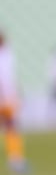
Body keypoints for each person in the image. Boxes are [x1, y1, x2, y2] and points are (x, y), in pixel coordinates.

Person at [0, 31, 29, 174]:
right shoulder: (5, 56)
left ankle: (16, 160)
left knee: (11, 129)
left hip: (6, 98)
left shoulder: (6, 55)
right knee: (11, 129)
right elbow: (6, 79)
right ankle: (16, 160)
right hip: (5, 100)